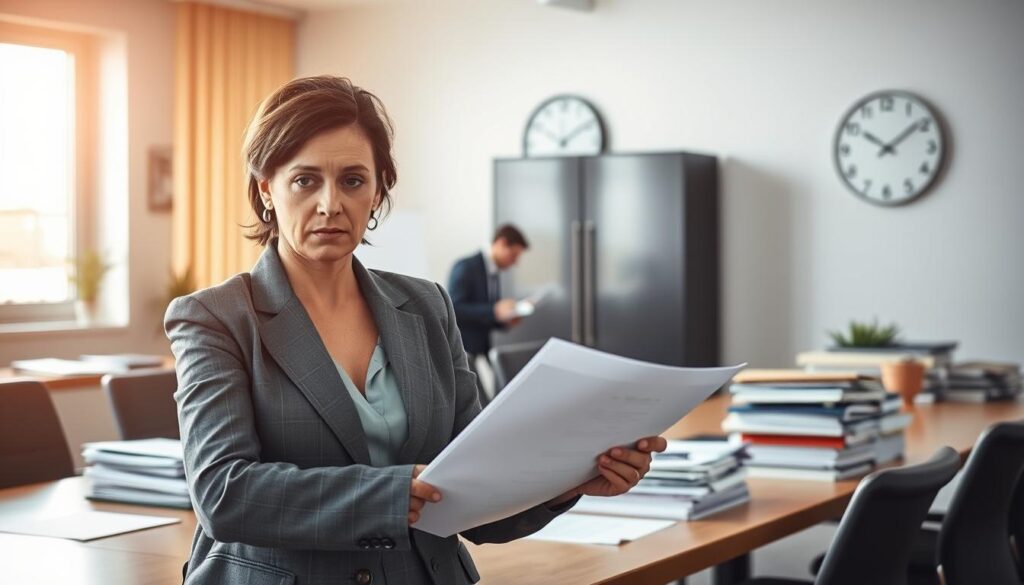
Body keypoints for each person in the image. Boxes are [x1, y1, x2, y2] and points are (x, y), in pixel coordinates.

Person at [165, 75, 667, 585]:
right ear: (266, 189)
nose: (330, 204)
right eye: (305, 180)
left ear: (379, 189)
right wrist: (391, 494)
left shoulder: (426, 306)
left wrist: (572, 481)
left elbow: (476, 489)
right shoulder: (216, 317)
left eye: (353, 180)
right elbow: (224, 494)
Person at [447, 225, 528, 404]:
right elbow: (454, 309)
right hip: (465, 352)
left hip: (482, 350)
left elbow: (486, 314)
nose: (515, 262)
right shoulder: (466, 266)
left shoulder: (493, 272)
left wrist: (505, 320)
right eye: (514, 255)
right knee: (479, 405)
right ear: (501, 243)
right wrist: (494, 311)